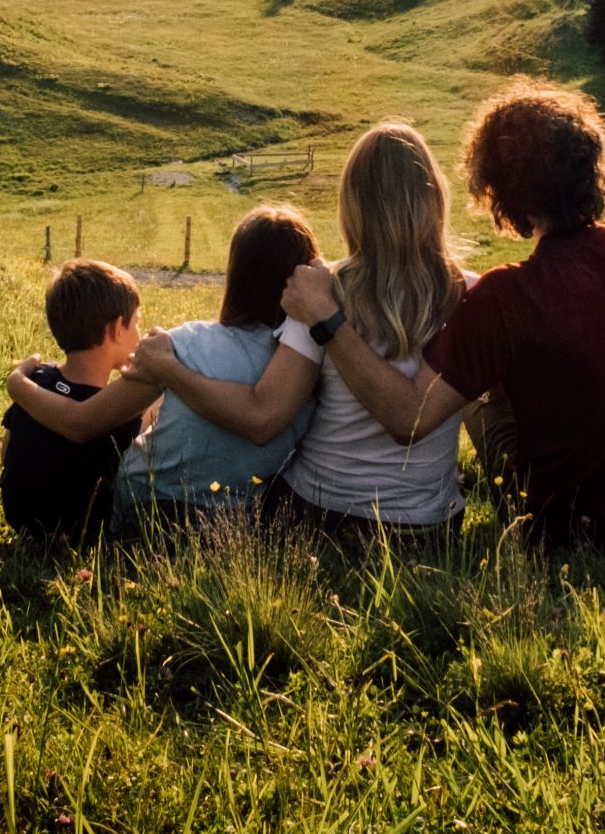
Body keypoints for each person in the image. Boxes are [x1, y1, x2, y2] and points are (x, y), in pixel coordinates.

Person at [282, 81, 605, 547]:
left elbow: (409, 416)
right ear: (591, 166)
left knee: (470, 385)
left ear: (500, 190)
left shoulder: (506, 296)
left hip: (566, 530)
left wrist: (327, 316)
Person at [131, 121, 470, 540]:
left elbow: (262, 417)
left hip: (318, 513)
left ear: (352, 203)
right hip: (430, 525)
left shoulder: (320, 289)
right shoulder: (470, 294)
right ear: (434, 195)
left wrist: (173, 370)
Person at [4, 207, 319, 533]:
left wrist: (17, 383)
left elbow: (82, 422)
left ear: (236, 272)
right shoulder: (308, 368)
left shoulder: (185, 344)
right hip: (232, 523)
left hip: (141, 508)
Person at [0, 256, 143, 544]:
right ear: (116, 328)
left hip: (20, 516)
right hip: (83, 531)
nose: (140, 332)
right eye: (137, 322)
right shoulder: (112, 410)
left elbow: (7, 449)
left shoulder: (37, 379)